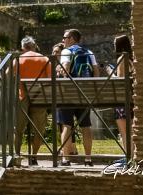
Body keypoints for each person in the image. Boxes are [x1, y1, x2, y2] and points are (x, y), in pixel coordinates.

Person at [57, 28, 99, 166]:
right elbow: (96, 72)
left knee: (67, 126)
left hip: (68, 93)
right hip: (84, 93)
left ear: (72, 38)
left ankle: (66, 159)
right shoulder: (89, 52)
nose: (63, 40)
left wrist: (60, 72)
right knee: (86, 126)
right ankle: (88, 159)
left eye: (65, 37)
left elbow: (66, 68)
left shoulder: (66, 51)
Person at [16, 36, 52, 165]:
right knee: (39, 129)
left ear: (22, 47)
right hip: (39, 96)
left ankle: (16, 156)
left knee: (18, 129)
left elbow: (8, 75)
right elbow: (50, 79)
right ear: (34, 46)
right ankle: (33, 156)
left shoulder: (19, 59)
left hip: (22, 96)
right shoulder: (44, 59)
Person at [110, 34, 133, 165]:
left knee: (124, 132)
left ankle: (127, 158)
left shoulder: (121, 59)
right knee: (131, 131)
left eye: (115, 44)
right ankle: (131, 156)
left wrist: (110, 73)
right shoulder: (131, 59)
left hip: (121, 100)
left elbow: (119, 80)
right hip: (131, 100)